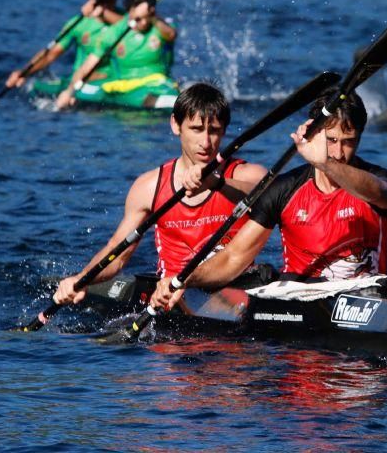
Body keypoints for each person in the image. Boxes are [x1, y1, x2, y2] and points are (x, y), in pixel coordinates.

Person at [149, 87, 387, 310]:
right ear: (314, 134)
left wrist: (326, 163)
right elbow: (233, 259)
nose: (339, 152)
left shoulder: (381, 182)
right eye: (331, 140)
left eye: (349, 142)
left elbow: (382, 194)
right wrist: (182, 280)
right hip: (300, 305)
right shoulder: (284, 190)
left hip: (364, 301)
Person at [52, 83, 267, 306]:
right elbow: (117, 253)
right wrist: (81, 279)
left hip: (237, 288)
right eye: (195, 129)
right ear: (176, 125)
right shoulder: (149, 187)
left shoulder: (247, 175)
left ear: (224, 130)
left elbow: (267, 193)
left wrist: (217, 183)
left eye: (213, 131)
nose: (205, 142)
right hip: (168, 296)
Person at [56, 0, 178, 108]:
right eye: (139, 19)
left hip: (159, 83)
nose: (144, 22)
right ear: (129, 10)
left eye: (147, 18)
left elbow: (172, 35)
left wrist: (152, 17)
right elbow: (87, 67)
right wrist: (69, 92)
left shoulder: (160, 26)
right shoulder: (114, 33)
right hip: (127, 87)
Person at [5, 0, 123, 89]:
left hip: (118, 80)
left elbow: (132, 28)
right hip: (85, 80)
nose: (107, 1)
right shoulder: (79, 24)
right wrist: (24, 73)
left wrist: (103, 13)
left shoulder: (132, 20)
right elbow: (51, 54)